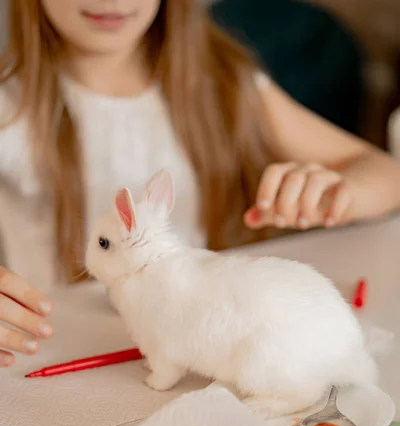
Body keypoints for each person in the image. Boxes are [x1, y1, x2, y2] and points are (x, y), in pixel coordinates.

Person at [1, 0, 400, 369]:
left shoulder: (223, 80)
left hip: (189, 353)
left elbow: (388, 175)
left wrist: (340, 189)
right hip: (47, 354)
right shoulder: (9, 105)